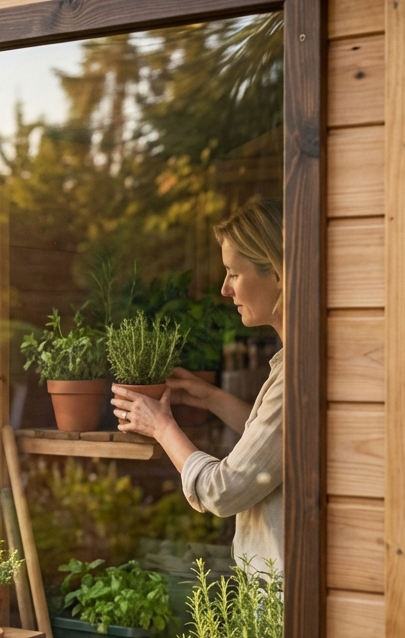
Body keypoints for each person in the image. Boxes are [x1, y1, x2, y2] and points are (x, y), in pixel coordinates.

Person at [111, 197, 283, 570]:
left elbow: (223, 491)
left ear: (277, 275)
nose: (224, 289)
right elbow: (275, 443)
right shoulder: (294, 364)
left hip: (281, 600)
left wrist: (162, 426)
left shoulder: (297, 376)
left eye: (233, 274)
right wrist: (211, 398)